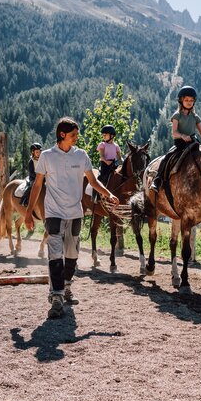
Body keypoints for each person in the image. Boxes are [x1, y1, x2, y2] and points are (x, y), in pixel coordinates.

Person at [24, 117, 119, 320]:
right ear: (62, 135)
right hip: (54, 213)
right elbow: (38, 185)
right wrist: (28, 212)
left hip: (76, 213)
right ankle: (56, 297)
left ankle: (66, 286)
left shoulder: (81, 155)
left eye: (77, 134)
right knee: (55, 255)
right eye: (74, 135)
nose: (77, 137)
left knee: (72, 256)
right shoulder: (47, 157)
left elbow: (92, 181)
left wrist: (107, 193)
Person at [150, 85, 201, 192]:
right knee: (167, 157)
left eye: (191, 100)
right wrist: (183, 136)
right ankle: (157, 180)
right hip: (180, 143)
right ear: (181, 101)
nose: (189, 102)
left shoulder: (195, 116)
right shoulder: (177, 115)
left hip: (193, 142)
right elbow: (174, 133)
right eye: (186, 100)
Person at [20, 142, 42, 206]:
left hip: (43, 177)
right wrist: (38, 177)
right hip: (34, 178)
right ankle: (24, 200)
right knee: (31, 186)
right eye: (37, 152)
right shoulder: (31, 162)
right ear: (33, 152)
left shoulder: (42, 160)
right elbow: (31, 172)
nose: (38, 154)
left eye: (39, 152)